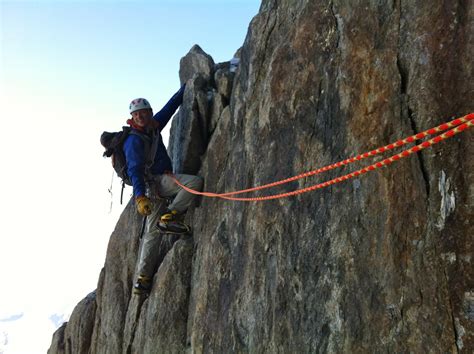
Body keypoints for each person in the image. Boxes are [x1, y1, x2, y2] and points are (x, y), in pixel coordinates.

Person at [124, 84, 203, 295]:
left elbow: (170, 107)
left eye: (143, 113)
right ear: (132, 118)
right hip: (154, 184)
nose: (140, 116)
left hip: (153, 187)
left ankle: (143, 278)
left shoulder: (153, 126)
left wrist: (183, 89)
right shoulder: (133, 140)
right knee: (194, 183)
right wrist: (139, 197)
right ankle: (171, 216)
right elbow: (134, 170)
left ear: (149, 113)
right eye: (136, 114)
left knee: (152, 232)